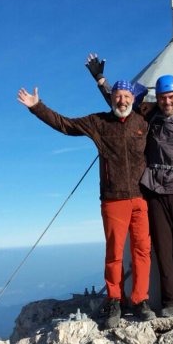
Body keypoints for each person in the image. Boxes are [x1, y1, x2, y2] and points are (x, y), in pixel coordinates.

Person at [17, 80, 156, 329]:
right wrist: (37, 107)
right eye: (117, 96)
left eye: (126, 96)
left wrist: (103, 81)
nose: (121, 100)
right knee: (114, 254)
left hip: (140, 197)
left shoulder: (143, 121)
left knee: (142, 251)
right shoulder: (99, 122)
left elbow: (167, 106)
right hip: (113, 199)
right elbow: (66, 125)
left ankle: (140, 300)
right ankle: (114, 300)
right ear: (111, 98)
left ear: (133, 99)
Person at [86, 60, 173, 318]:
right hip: (155, 193)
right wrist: (101, 81)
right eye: (162, 97)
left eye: (171, 97)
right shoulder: (147, 116)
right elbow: (120, 105)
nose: (167, 102)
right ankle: (170, 301)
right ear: (156, 98)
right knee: (161, 250)